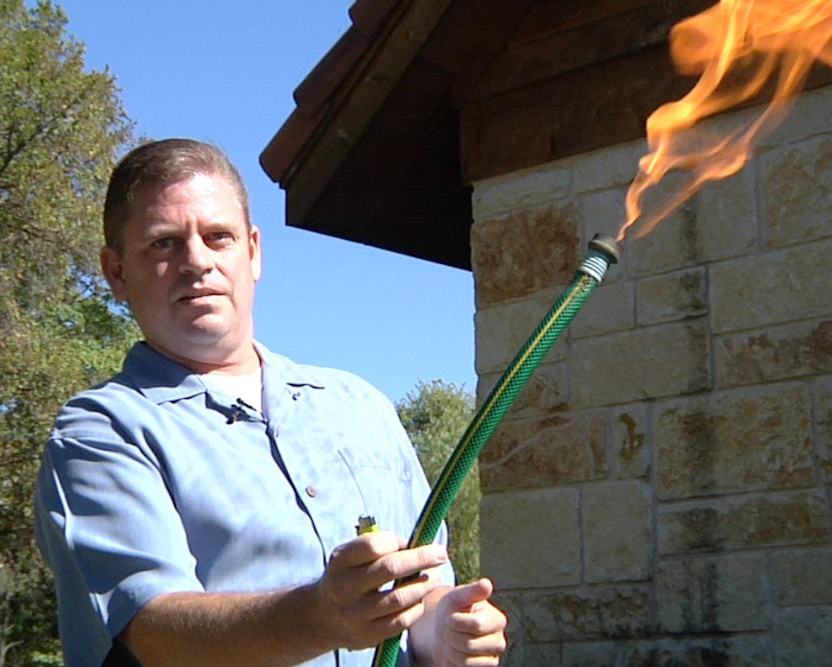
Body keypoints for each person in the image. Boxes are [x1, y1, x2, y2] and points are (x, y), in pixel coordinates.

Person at [34, 138, 507, 667]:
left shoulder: (361, 405)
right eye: (163, 243)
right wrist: (321, 618)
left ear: (253, 252)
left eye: (219, 237)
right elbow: (154, 632)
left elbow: (422, 593)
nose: (197, 262)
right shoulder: (101, 432)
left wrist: (446, 630)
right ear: (116, 271)